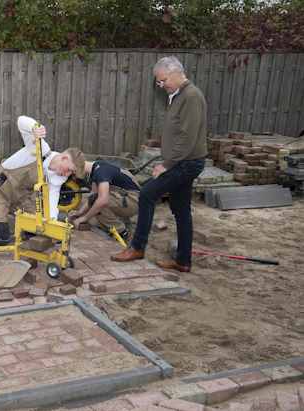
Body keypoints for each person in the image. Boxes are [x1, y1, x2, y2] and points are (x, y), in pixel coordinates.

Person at [111, 56, 207, 272]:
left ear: (175, 73)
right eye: (158, 82)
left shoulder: (191, 96)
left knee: (147, 194)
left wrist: (167, 164)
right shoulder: (178, 95)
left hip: (186, 163)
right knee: (181, 210)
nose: (160, 85)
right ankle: (183, 261)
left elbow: (188, 137)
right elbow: (178, 131)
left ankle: (137, 247)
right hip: (184, 161)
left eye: (162, 80)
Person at [0, 116, 86, 244]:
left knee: (35, 227)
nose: (67, 174)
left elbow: (51, 204)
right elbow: (21, 120)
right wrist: (34, 128)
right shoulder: (39, 147)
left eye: (71, 173)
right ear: (64, 158)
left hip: (22, 197)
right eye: (69, 169)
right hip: (1, 189)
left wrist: (52, 228)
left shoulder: (58, 178)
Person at [69, 160, 140, 239]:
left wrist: (84, 218)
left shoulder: (100, 172)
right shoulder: (96, 168)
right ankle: (123, 222)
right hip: (127, 199)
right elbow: (93, 196)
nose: (75, 177)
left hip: (133, 200)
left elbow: (102, 201)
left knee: (100, 204)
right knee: (96, 201)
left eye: (73, 173)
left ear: (77, 169)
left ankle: (122, 232)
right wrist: (79, 213)